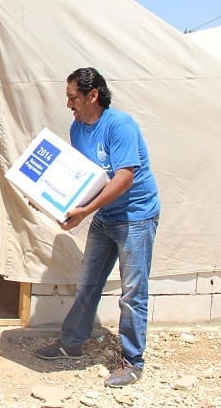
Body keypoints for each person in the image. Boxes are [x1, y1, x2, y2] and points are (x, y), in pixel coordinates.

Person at [35, 67, 160, 389]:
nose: (68, 105)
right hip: (105, 216)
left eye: (73, 97)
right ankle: (72, 343)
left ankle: (132, 361)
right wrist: (54, 202)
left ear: (93, 95)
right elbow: (83, 176)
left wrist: (85, 211)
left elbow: (124, 177)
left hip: (135, 216)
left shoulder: (120, 126)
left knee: (132, 292)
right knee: (88, 283)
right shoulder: (77, 128)